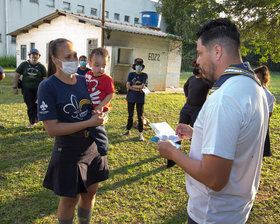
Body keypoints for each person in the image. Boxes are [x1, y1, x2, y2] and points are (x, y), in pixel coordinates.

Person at [157, 18, 269, 224]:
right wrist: (196, 133)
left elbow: (214, 179)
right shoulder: (255, 87)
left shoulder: (225, 98)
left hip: (212, 214)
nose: (197, 61)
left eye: (200, 53)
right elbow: (239, 136)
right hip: (235, 210)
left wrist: (172, 152)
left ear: (217, 51)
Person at [37, 38, 109, 224]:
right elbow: (52, 129)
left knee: (90, 192)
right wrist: (89, 123)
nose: (74, 60)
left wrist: (100, 115)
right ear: (55, 59)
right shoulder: (47, 86)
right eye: (67, 56)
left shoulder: (85, 81)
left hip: (92, 146)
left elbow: (98, 104)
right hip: (68, 150)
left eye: (75, 55)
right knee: (69, 199)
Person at [84, 47, 115, 156]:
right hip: (90, 107)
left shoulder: (107, 79)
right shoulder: (87, 75)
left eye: (104, 66)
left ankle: (103, 148)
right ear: (90, 64)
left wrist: (101, 106)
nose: (101, 69)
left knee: (97, 128)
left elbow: (110, 94)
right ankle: (90, 143)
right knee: (88, 126)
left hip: (101, 108)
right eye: (97, 65)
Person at [13, 48, 47, 128]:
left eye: (36, 55)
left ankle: (38, 119)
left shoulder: (41, 67)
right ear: (29, 55)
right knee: (30, 105)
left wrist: (45, 90)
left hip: (38, 89)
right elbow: (17, 76)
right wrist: (15, 87)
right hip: (27, 88)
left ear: (39, 56)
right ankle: (32, 122)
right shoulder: (24, 65)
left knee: (39, 104)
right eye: (33, 54)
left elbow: (45, 79)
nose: (34, 56)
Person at [120, 58, 148, 141]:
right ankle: (128, 130)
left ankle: (140, 133)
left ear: (142, 67)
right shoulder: (131, 74)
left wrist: (132, 87)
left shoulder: (144, 75)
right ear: (134, 66)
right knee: (130, 115)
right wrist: (137, 88)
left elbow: (142, 86)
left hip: (140, 99)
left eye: (140, 65)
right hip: (131, 98)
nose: (138, 67)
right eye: (137, 65)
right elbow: (127, 86)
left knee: (140, 116)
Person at [179, 61, 211, 127]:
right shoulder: (191, 78)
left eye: (198, 68)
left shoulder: (206, 80)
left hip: (198, 108)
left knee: (195, 127)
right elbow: (185, 86)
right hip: (187, 106)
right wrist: (186, 95)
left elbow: (214, 90)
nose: (196, 69)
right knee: (181, 125)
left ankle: (192, 137)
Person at [254, 65, 276, 157]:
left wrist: (263, 133)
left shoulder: (269, 96)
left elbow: (268, 116)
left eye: (258, 78)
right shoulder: (251, 90)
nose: (256, 80)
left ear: (264, 79)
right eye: (255, 77)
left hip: (260, 127)